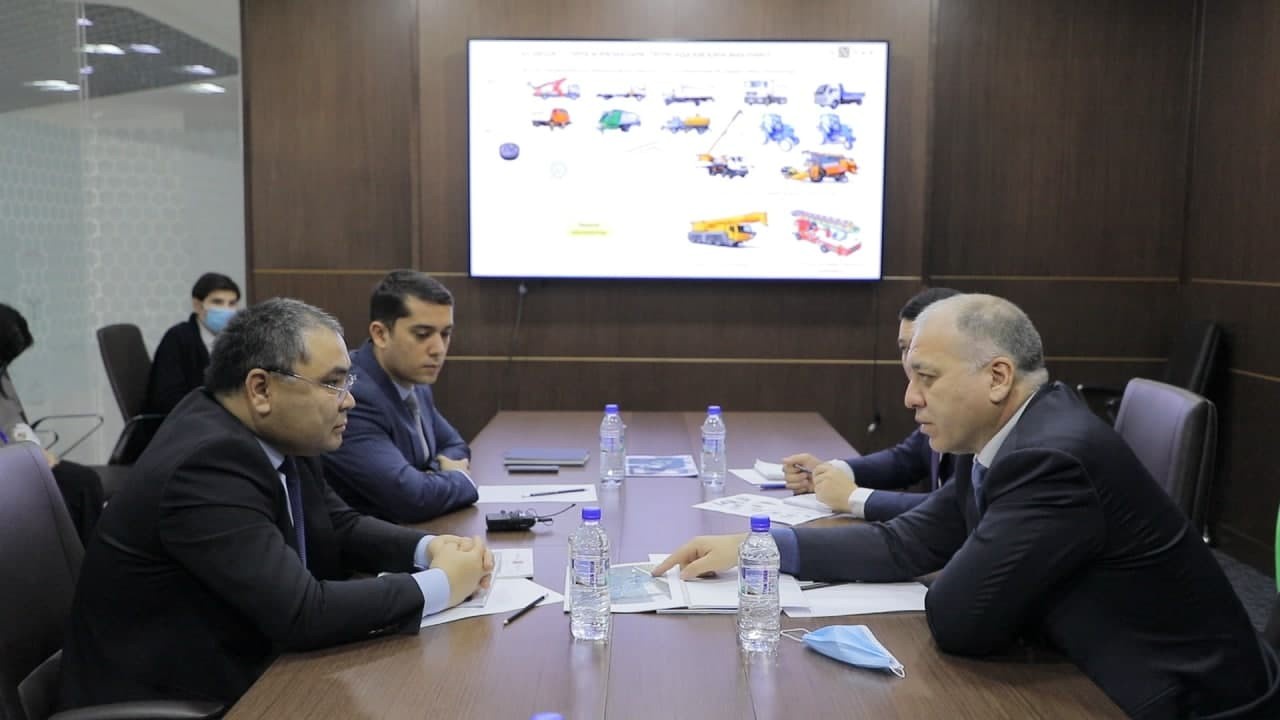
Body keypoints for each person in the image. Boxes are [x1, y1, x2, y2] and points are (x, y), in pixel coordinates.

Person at [654, 294, 1278, 719]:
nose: (910, 398)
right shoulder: (1009, 435)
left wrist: (968, 562)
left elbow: (958, 620)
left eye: (926, 377)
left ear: (998, 378)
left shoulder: (1050, 458)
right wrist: (761, 547)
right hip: (1091, 664)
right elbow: (908, 541)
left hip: (1177, 699)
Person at [58, 298, 494, 711]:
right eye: (332, 383)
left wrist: (428, 548)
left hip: (249, 666)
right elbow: (303, 613)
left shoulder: (272, 433)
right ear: (261, 389)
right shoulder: (207, 464)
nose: (349, 400)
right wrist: (441, 585)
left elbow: (338, 525)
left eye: (347, 381)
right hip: (179, 697)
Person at [782, 287, 960, 521]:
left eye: (918, 349)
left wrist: (853, 497)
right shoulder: (931, 403)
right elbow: (906, 459)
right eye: (904, 348)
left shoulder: (977, 418)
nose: (909, 361)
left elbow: (953, 510)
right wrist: (830, 473)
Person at [323, 270, 476, 523]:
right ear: (380, 334)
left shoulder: (413, 380)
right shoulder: (354, 396)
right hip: (365, 544)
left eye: (445, 334)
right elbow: (412, 498)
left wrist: (427, 477)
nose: (438, 349)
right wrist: (457, 478)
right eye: (422, 334)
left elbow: (455, 445)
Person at [0, 303, 104, 544]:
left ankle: (88, 563)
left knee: (84, 484)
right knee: (55, 500)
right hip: (8, 468)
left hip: (19, 461)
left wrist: (34, 449)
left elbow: (13, 420)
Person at [143, 272, 242, 415]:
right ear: (197, 305)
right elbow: (166, 398)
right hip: (186, 421)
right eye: (217, 302)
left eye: (232, 304)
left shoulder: (239, 341)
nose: (226, 310)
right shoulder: (177, 338)